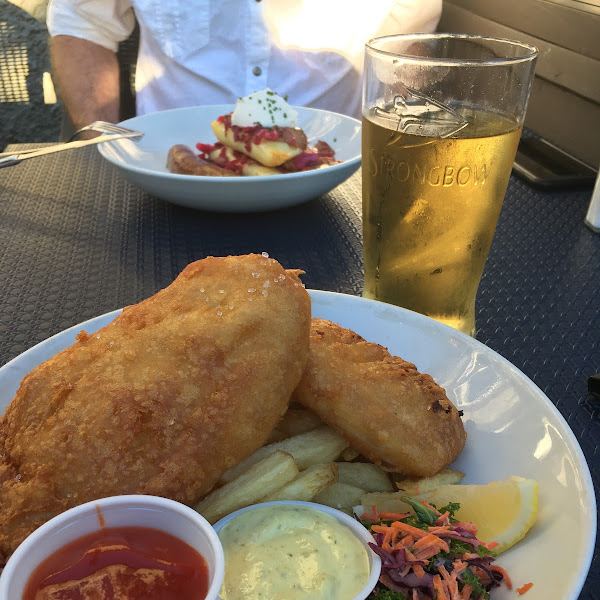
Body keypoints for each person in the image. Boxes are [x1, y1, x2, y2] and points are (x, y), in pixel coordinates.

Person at [47, 0, 442, 131]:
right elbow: (83, 23)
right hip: (166, 174)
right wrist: (100, 148)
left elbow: (407, 40)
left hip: (336, 181)